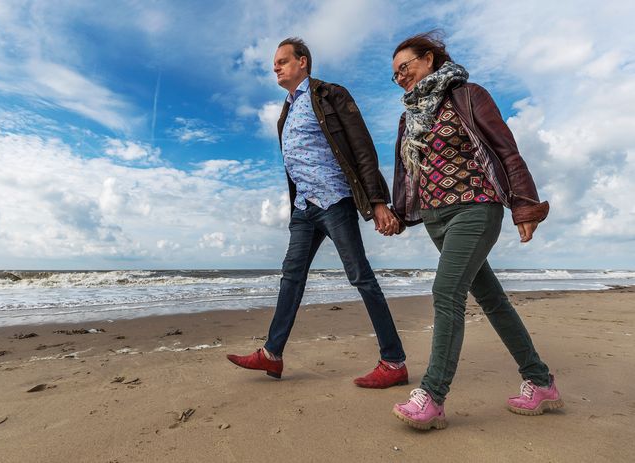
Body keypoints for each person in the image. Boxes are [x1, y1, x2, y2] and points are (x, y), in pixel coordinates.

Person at [388, 32, 563, 429]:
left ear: (430, 59)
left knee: (446, 292)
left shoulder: (468, 95)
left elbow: (506, 149)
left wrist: (524, 205)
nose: (400, 77)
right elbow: (406, 172)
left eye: (405, 67)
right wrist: (398, 214)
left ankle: (432, 396)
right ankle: (541, 381)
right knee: (493, 300)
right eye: (394, 74)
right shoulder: (408, 117)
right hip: (435, 218)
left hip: (475, 208)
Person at [226, 37, 409, 388]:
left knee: (361, 277)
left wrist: (377, 201)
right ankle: (272, 354)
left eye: (282, 61)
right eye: (274, 63)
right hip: (303, 208)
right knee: (291, 276)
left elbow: (361, 146)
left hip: (335, 200)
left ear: (303, 62)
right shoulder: (286, 109)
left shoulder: (329, 95)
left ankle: (393, 361)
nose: (275, 67)